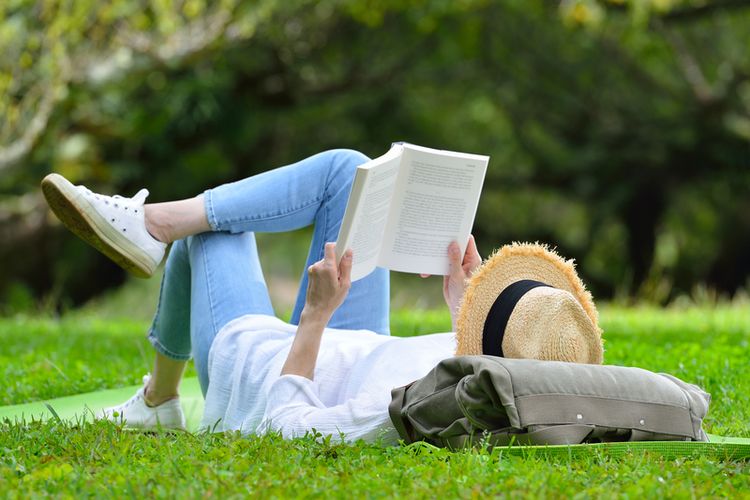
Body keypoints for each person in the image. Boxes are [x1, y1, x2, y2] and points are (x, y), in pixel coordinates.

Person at [42, 149, 603, 443]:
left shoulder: (417, 410)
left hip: (266, 370)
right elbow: (470, 370)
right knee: (348, 171)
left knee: (214, 231)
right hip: (358, 344)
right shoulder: (517, 379)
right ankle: (157, 393)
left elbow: (290, 427)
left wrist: (314, 317)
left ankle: (155, 229)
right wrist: (464, 308)